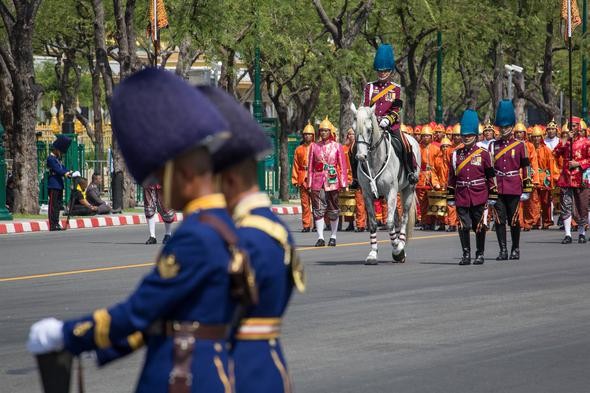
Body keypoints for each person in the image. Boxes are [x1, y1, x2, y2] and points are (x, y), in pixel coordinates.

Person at [27, 68, 251, 393]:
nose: (156, 180)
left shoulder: (196, 237)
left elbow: (139, 311)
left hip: (184, 376)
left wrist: (66, 334)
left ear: (185, 174)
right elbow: (160, 318)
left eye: (161, 172)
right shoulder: (223, 226)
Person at [201, 85, 304, 393]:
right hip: (269, 365)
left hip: (244, 371)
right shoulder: (273, 227)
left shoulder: (248, 238)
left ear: (229, 180)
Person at [363, 43, 418, 185]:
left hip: (390, 126)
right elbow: (365, 107)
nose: (382, 73)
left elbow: (397, 108)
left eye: (385, 71)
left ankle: (410, 171)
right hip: (372, 126)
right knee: (354, 147)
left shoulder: (396, 89)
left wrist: (388, 119)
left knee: (406, 145)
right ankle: (357, 178)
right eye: (380, 71)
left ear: (390, 71)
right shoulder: (369, 87)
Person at [448, 109, 496, 265]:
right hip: (461, 194)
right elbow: (451, 177)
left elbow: (490, 176)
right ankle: (466, 254)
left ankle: (479, 253)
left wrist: (493, 194)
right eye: (464, 135)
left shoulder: (483, 154)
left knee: (479, 225)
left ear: (476, 136)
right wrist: (450, 196)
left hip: (479, 193)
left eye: (469, 135)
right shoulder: (456, 154)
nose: (466, 138)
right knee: (463, 225)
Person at [489, 100, 532, 260]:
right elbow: (490, 170)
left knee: (514, 220)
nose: (504, 130)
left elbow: (526, 167)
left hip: (514, 186)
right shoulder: (493, 146)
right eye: (501, 127)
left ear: (512, 127)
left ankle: (515, 248)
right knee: (500, 220)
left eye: (507, 127)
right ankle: (503, 250)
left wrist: (527, 188)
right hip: (498, 187)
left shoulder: (520, 145)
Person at [307, 116, 348, 247]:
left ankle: (333, 236)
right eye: (321, 130)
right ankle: (320, 237)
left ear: (331, 132)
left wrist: (344, 183)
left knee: (333, 208)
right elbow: (310, 166)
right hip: (317, 182)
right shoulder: (314, 146)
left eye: (326, 130)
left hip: (333, 181)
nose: (323, 133)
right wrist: (309, 184)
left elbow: (342, 165)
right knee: (318, 209)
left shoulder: (337, 146)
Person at [553, 116, 590, 243]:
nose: (572, 128)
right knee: (566, 205)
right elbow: (555, 153)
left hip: (581, 178)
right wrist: (563, 140)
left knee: (582, 205)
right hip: (566, 178)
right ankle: (568, 234)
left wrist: (579, 164)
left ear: (579, 127)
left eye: (574, 126)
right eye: (570, 126)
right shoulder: (565, 142)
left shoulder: (586, 142)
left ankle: (582, 233)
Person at [530, 126, 558, 229]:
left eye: (538, 136)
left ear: (541, 137)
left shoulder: (546, 149)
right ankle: (535, 221)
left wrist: (551, 176)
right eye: (534, 137)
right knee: (534, 200)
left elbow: (551, 164)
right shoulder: (529, 148)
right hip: (533, 177)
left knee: (546, 201)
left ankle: (546, 221)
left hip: (544, 178)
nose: (536, 139)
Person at [416, 123, 443, 230]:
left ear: (431, 136)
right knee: (423, 201)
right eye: (423, 136)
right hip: (421, 176)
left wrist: (440, 179)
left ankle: (439, 222)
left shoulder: (436, 148)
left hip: (434, 176)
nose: (425, 137)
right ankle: (426, 222)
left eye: (427, 135)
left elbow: (440, 166)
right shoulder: (418, 148)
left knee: (436, 199)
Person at [47, 135, 74, 231]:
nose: (61, 153)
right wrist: (65, 173)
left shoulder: (57, 159)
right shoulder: (51, 158)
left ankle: (56, 223)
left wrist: (69, 172)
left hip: (58, 184)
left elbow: (62, 168)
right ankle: (52, 224)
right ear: (56, 149)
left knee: (58, 205)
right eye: (60, 151)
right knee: (53, 205)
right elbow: (58, 169)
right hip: (53, 184)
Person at [291, 122, 314, 232]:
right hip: (302, 176)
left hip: (314, 178)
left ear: (313, 135)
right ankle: (306, 225)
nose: (307, 136)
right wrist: (295, 179)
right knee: (305, 204)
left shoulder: (317, 147)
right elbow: (295, 165)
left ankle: (315, 225)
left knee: (316, 204)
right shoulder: (298, 149)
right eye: (305, 134)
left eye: (310, 134)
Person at [344, 127, 366, 232]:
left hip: (360, 178)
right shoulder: (350, 147)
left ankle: (361, 224)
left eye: (352, 134)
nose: (350, 136)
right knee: (350, 203)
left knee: (360, 202)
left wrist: (357, 178)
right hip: (353, 177)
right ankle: (356, 224)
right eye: (349, 134)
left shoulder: (358, 146)